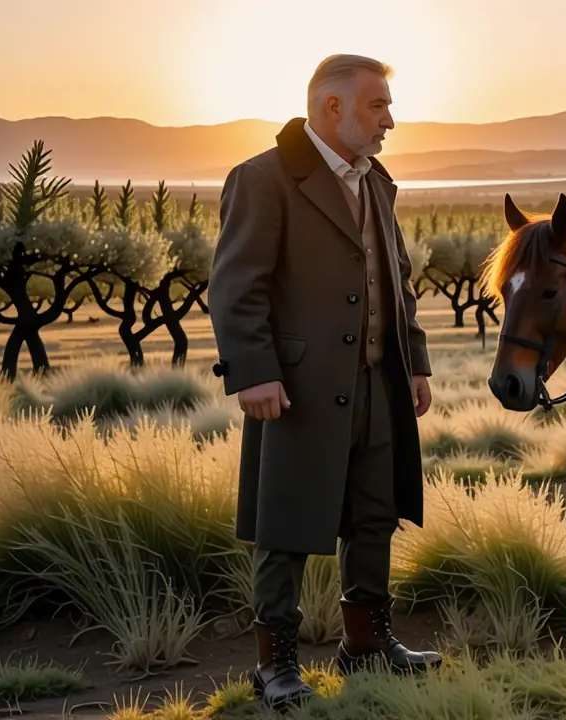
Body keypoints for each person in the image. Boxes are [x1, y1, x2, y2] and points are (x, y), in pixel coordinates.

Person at [208, 53, 441, 711]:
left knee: (374, 517)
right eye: (378, 106)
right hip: (295, 389)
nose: (389, 120)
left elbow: (398, 279)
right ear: (331, 107)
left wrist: (415, 359)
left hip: (378, 382)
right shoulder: (263, 178)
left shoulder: (376, 180)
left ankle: (367, 645)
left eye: (388, 107)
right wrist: (252, 373)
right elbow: (235, 286)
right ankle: (275, 667)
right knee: (286, 526)